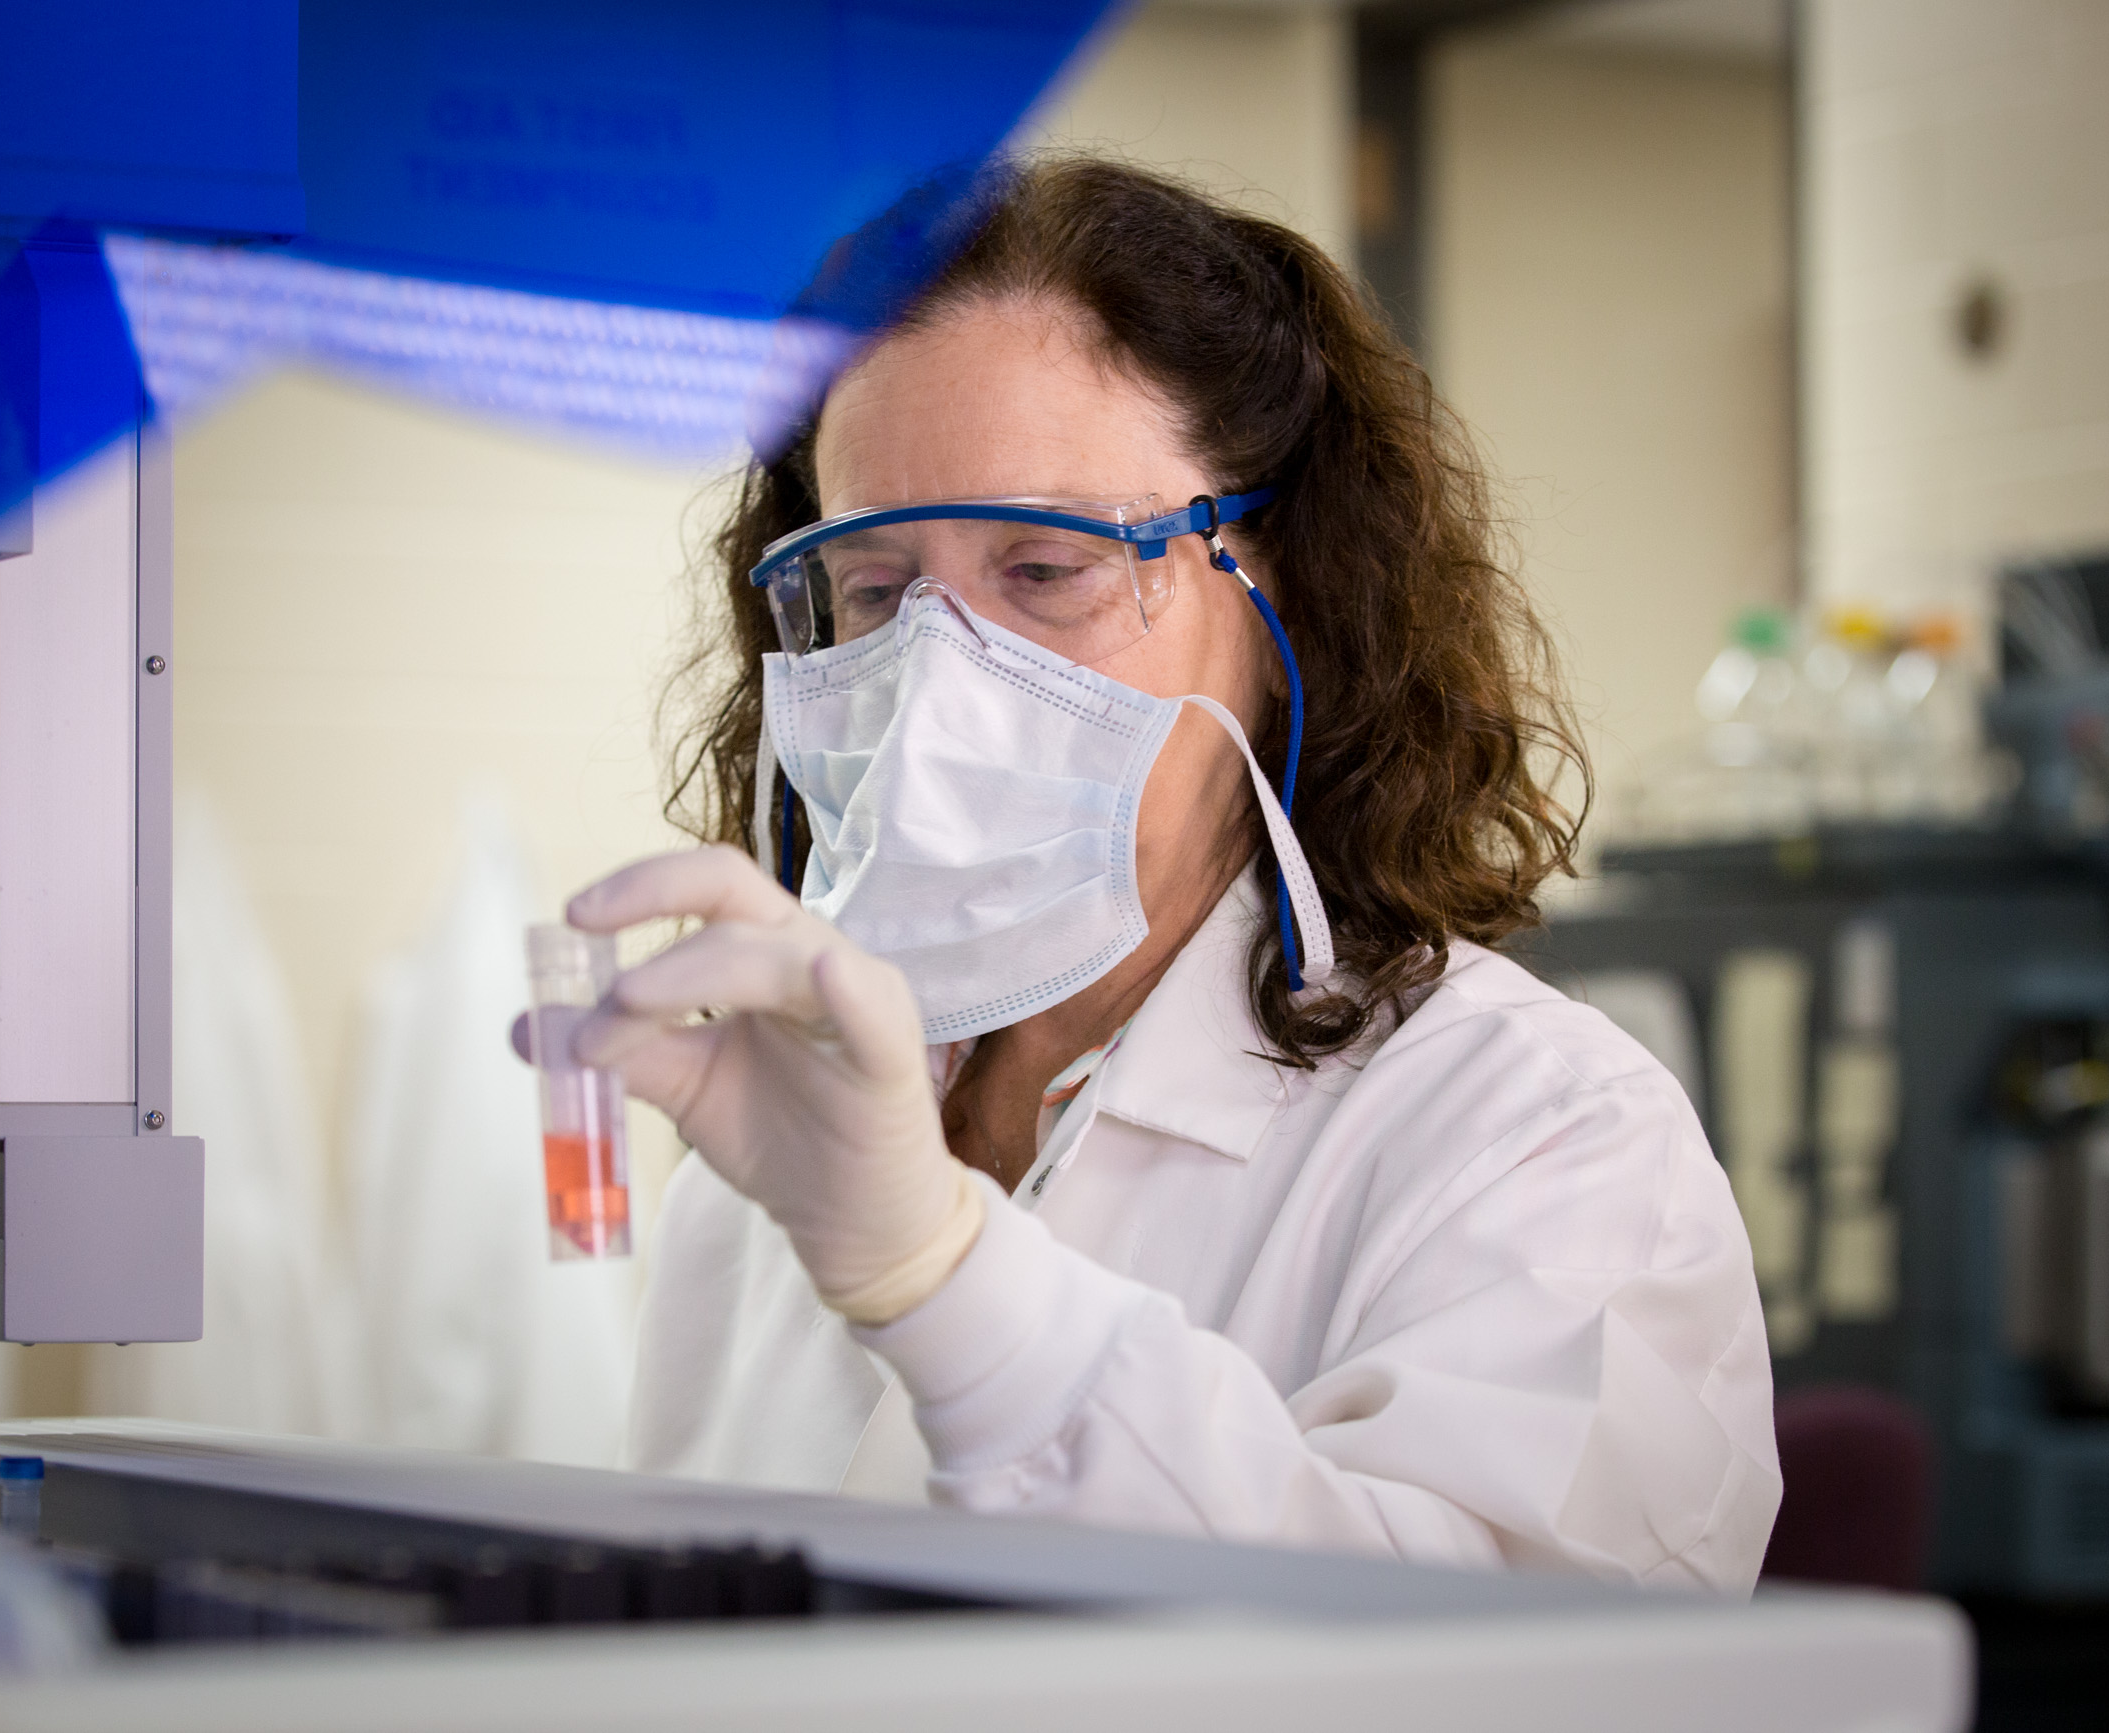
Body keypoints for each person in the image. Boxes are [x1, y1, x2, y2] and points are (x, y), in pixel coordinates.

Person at [563, 157, 1779, 1588]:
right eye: (878, 589)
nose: (939, 686)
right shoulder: (785, 1142)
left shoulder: (1542, 1139)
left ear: (1282, 600)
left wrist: (947, 1282)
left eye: (1047, 567)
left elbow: (1484, 1669)